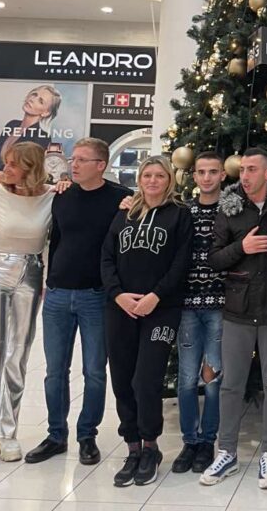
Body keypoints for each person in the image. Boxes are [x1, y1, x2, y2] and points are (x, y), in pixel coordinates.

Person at [25, 138, 129, 467]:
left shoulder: (120, 198)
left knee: (95, 371)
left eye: (83, 160)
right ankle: (56, 435)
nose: (74, 164)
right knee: (55, 371)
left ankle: (87, 435)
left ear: (101, 165)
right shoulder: (62, 195)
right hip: (57, 294)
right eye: (74, 159)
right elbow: (54, 238)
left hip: (96, 296)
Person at [200, 147, 267, 488]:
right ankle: (226, 452)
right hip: (238, 311)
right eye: (242, 169)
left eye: (252, 169)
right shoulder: (230, 206)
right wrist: (242, 248)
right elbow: (214, 259)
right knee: (230, 384)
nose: (245, 175)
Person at [100, 155, 193, 488]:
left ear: (169, 180)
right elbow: (107, 257)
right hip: (121, 308)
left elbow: (182, 262)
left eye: (160, 175)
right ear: (139, 179)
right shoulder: (125, 212)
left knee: (146, 380)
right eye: (147, 175)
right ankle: (133, 447)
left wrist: (156, 295)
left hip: (161, 309)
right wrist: (117, 295)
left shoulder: (180, 214)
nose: (153, 180)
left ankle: (151, 447)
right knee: (122, 379)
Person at [0, 142, 55, 473]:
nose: (6, 169)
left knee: (18, 356)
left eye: (14, 164)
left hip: (31, 275)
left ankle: (6, 432)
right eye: (6, 162)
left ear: (31, 168)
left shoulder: (51, 197)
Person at [171, 152, 227, 475]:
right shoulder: (184, 211)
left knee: (214, 376)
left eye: (213, 172)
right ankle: (189, 441)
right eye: (202, 172)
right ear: (194, 176)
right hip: (188, 305)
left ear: (222, 175)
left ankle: (208, 441)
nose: (207, 177)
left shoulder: (231, 210)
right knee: (187, 376)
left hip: (219, 305)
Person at [0, 84, 61, 182]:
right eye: (34, 94)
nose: (32, 99)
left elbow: (24, 179)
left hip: (8, 191)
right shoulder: (12, 125)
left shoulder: (42, 138)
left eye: (40, 101)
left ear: (46, 112)